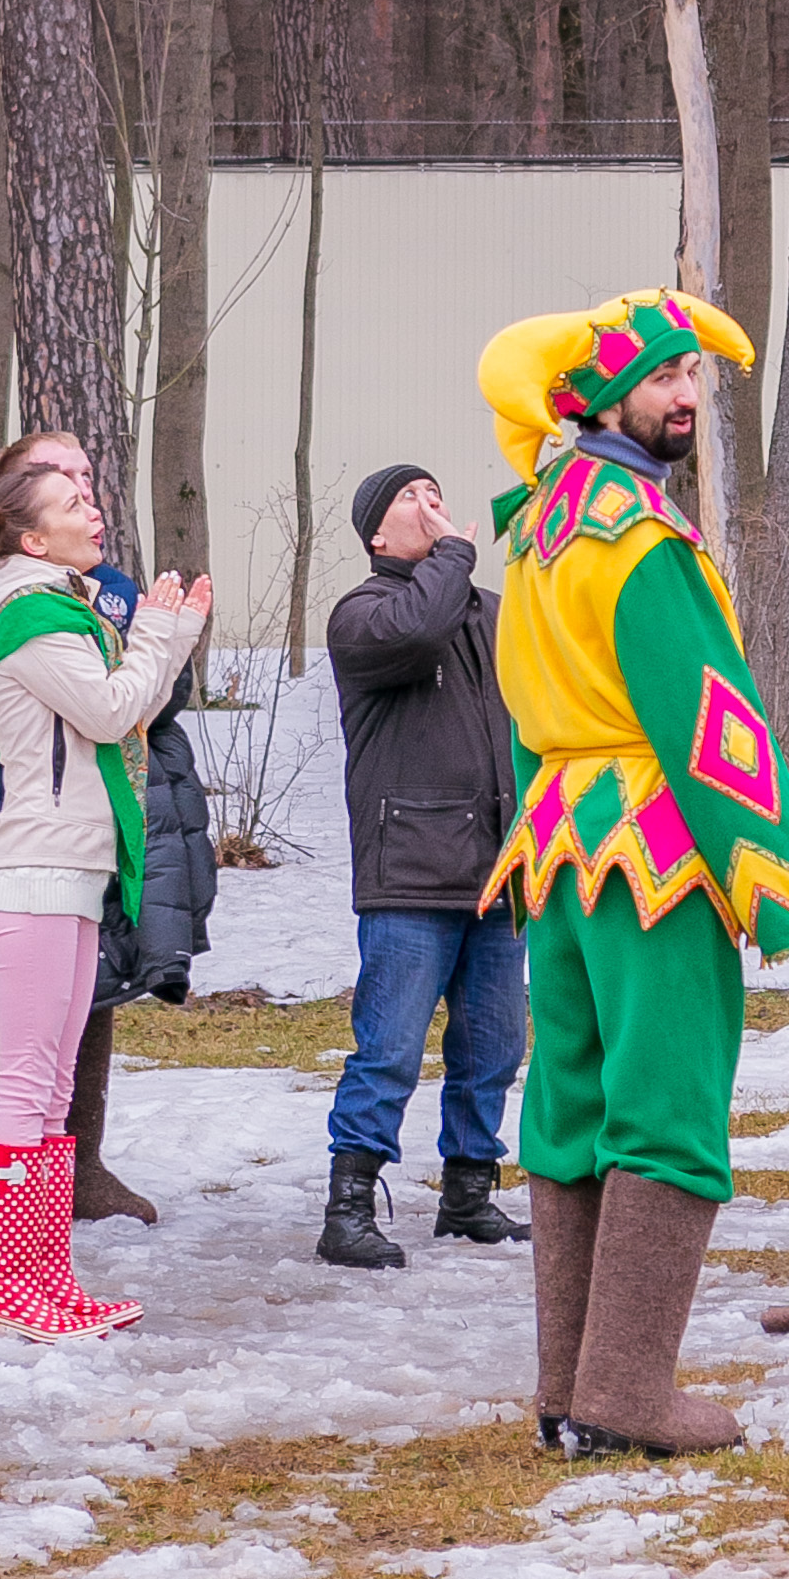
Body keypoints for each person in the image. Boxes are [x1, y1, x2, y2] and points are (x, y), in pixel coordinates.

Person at [477, 290, 789, 1458]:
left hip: (560, 853)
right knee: (669, 1102)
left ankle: (567, 1390)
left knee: (572, 1105)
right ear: (602, 393)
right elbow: (709, 717)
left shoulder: (536, 523)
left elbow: (528, 709)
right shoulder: (640, 535)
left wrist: (533, 835)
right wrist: (783, 888)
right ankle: (627, 1391)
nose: (688, 396)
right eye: (667, 376)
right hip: (657, 852)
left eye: (698, 379)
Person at [0, 432, 218, 1224]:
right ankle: (17, 1281)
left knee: (52, 1081)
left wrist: (172, 634)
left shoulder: (71, 600)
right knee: (26, 1083)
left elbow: (127, 715)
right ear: (31, 534)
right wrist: (154, 634)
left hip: (74, 860)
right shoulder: (31, 613)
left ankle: (46, 1270)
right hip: (36, 863)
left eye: (90, 489)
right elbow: (108, 708)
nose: (93, 506)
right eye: (71, 498)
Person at [317, 460, 527, 1269]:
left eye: (436, 490)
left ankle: (469, 1196)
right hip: (408, 870)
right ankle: (348, 1208)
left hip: (498, 867)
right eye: (410, 497)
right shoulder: (366, 614)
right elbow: (417, 629)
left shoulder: (483, 610)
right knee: (389, 1048)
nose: (430, 502)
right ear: (377, 533)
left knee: (495, 1046)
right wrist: (451, 561)